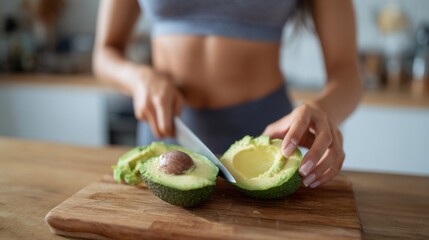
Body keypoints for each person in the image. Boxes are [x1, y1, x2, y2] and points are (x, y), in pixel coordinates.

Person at [93, 0, 362, 189]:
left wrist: (322, 109)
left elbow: (347, 72)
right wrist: (138, 79)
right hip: (166, 131)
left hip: (268, 138)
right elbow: (104, 53)